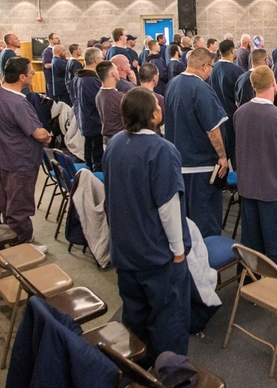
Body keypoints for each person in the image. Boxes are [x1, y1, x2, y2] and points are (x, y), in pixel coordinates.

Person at [103, 87, 191, 359]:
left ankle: (138, 366)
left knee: (135, 314)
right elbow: (168, 207)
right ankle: (170, 372)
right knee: (168, 319)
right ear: (153, 114)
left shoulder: (115, 143)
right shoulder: (162, 150)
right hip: (157, 255)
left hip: (125, 248)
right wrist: (178, 251)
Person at [234, 66, 277, 272]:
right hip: (275, 192)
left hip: (247, 189)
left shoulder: (240, 113)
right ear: (274, 83)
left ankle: (252, 282)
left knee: (252, 243)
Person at [0, 57, 52, 245]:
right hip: (19, 162)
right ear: (22, 77)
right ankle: (22, 245)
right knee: (19, 207)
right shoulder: (18, 103)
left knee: (8, 203)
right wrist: (48, 135)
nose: (33, 74)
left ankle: (12, 237)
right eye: (30, 72)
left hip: (3, 158)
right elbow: (39, 134)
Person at [164, 47, 228, 238]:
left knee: (186, 221)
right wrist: (223, 156)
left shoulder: (172, 84)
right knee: (205, 222)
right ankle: (207, 263)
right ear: (205, 66)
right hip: (201, 167)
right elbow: (212, 128)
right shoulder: (201, 89)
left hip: (179, 164)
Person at [208, 39, 244, 168]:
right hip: (232, 114)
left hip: (216, 114)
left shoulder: (213, 68)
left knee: (222, 152)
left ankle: (222, 181)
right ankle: (236, 179)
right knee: (235, 150)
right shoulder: (237, 71)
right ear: (233, 51)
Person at [71, 47, 105, 171]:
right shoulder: (91, 80)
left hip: (83, 120)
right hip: (94, 122)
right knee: (97, 159)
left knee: (89, 153)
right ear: (96, 60)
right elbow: (98, 102)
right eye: (102, 58)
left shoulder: (76, 78)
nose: (103, 60)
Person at [95, 60, 124, 146]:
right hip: (119, 141)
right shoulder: (119, 97)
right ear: (112, 74)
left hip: (107, 140)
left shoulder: (99, 95)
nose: (118, 72)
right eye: (116, 70)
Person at [40, 33, 60, 98]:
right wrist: (58, 64)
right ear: (51, 40)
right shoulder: (47, 52)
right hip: (51, 79)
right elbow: (47, 65)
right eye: (56, 38)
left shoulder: (58, 50)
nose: (58, 40)